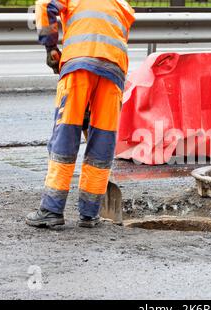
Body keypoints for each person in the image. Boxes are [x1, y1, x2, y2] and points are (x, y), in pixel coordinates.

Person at [26, 0, 135, 228]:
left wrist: (51, 48)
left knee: (65, 134)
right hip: (114, 73)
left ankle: (51, 210)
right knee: (103, 139)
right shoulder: (122, 5)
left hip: (78, 67)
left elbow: (45, 7)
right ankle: (90, 213)